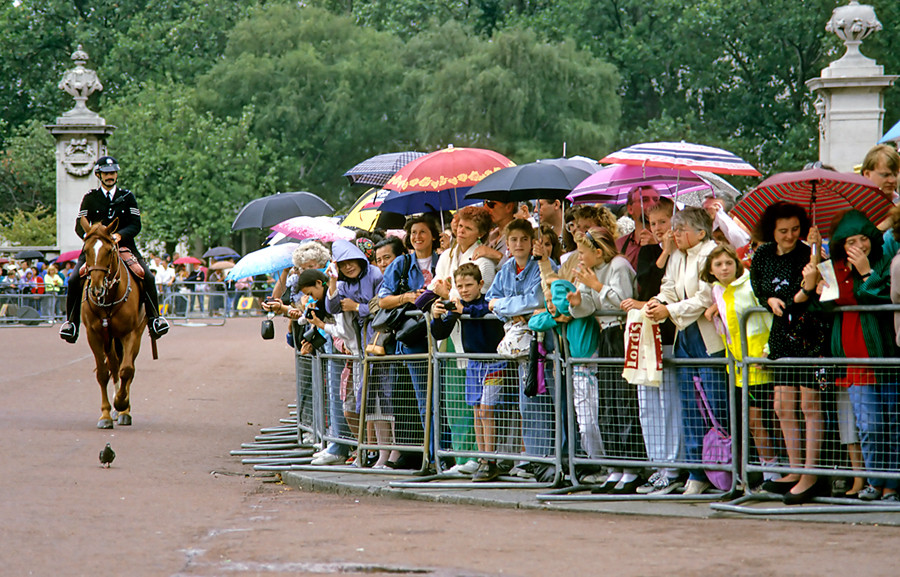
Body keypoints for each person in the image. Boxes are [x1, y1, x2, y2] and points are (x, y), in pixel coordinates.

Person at [749, 201, 828, 504]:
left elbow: (809, 294)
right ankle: (795, 469)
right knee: (783, 404)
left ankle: (811, 473)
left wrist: (809, 284)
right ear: (772, 231)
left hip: (810, 333)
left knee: (809, 404)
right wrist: (769, 297)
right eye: (783, 231)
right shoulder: (763, 254)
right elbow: (760, 283)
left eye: (795, 229)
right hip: (781, 334)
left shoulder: (810, 254)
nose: (790, 235)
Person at [646, 206, 726, 495]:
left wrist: (669, 310)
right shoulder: (678, 255)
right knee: (690, 407)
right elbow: (668, 286)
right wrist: (657, 303)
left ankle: (726, 469)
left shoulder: (712, 252)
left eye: (681, 229)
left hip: (709, 339)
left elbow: (706, 297)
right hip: (684, 336)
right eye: (675, 228)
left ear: (701, 232)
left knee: (717, 405)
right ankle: (696, 472)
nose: (674, 234)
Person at [826, 209, 898, 502]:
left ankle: (892, 485)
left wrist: (867, 272)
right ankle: (874, 481)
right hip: (854, 360)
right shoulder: (834, 269)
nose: (859, 245)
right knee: (868, 424)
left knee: (893, 422)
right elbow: (824, 307)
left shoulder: (883, 262)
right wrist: (812, 282)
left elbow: (885, 297)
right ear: (842, 245)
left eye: (862, 238)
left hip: (886, 355)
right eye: (850, 241)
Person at [568, 227, 645, 493]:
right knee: (608, 401)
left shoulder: (619, 265)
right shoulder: (590, 270)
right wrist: (578, 301)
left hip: (622, 332)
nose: (579, 258)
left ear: (598, 252)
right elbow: (588, 307)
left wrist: (596, 287)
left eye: (583, 252)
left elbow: (624, 301)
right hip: (605, 334)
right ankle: (615, 465)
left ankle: (633, 468)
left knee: (624, 400)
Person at [59, 156, 169, 342]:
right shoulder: (90, 198)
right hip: (97, 250)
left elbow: (136, 225)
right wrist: (93, 239)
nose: (110, 176)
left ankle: (155, 320)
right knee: (74, 279)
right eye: (106, 173)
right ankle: (72, 324)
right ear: (99, 174)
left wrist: (119, 236)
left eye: (112, 173)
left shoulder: (127, 197)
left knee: (147, 276)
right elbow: (80, 226)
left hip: (124, 246)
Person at [621, 198, 685, 495]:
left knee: (669, 402)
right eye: (654, 223)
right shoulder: (649, 251)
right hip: (646, 334)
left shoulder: (684, 252)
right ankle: (657, 464)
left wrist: (673, 250)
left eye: (664, 222)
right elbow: (645, 284)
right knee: (647, 404)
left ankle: (673, 467)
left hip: (671, 334)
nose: (659, 229)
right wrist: (663, 253)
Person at [701, 243, 778, 483]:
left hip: (759, 363)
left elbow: (768, 318)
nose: (724, 268)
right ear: (711, 270)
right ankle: (766, 473)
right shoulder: (717, 291)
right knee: (752, 422)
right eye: (719, 265)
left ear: (737, 264)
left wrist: (768, 351)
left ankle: (774, 474)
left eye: (728, 263)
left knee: (765, 420)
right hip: (737, 367)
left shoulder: (751, 285)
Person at [486, 219, 555, 462]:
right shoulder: (505, 269)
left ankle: (551, 457)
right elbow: (490, 299)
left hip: (544, 342)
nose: (519, 244)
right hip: (518, 345)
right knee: (527, 399)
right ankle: (534, 458)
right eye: (513, 240)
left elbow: (535, 300)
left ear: (532, 241)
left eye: (524, 239)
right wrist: (508, 309)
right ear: (507, 243)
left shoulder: (544, 265)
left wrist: (503, 305)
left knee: (547, 399)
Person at [431, 263, 507, 482]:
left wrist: (465, 310)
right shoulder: (459, 306)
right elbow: (440, 332)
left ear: (480, 284)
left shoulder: (486, 302)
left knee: (487, 410)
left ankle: (490, 460)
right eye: (460, 286)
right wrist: (437, 316)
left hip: (494, 363)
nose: (464, 290)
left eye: (469, 285)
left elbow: (484, 309)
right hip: (473, 364)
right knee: (476, 411)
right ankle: (482, 458)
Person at [377, 215, 441, 460]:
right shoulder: (401, 264)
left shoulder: (443, 259)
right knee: (425, 400)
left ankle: (447, 454)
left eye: (423, 232)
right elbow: (383, 299)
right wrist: (408, 297)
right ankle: (432, 455)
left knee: (444, 398)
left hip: (443, 335)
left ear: (433, 235)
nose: (417, 237)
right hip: (414, 338)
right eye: (413, 233)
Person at [617, 186, 661, 270]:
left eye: (656, 200)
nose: (652, 204)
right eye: (644, 200)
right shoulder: (619, 245)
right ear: (630, 209)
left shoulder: (669, 242)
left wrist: (656, 246)